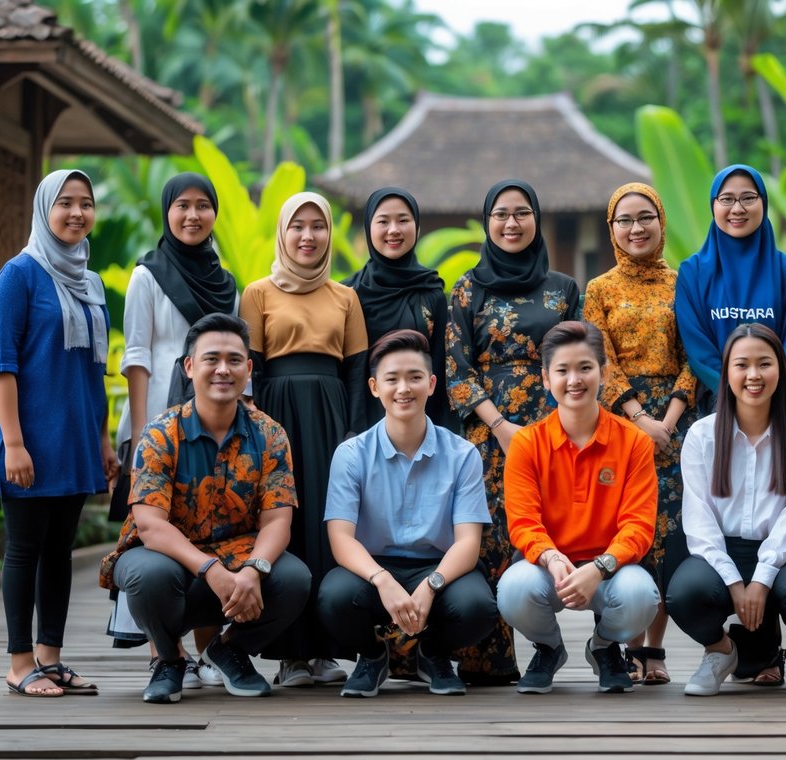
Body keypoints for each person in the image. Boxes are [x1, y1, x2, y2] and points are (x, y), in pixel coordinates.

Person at [101, 313, 311, 704]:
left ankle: (228, 649)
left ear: (248, 370)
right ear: (190, 366)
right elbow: (149, 526)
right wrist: (210, 568)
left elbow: (278, 520)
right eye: (211, 358)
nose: (223, 369)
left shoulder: (269, 434)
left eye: (234, 360)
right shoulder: (161, 433)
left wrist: (255, 569)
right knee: (148, 573)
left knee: (293, 578)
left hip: (239, 558)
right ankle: (169, 658)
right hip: (169, 562)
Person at [0, 168, 119, 697]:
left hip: (77, 439)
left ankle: (51, 657)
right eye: (65, 203)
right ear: (45, 208)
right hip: (29, 440)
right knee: (24, 548)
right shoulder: (18, 275)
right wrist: (13, 442)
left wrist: (104, 442)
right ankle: (20, 663)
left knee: (59, 551)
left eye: (86, 203)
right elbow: (2, 365)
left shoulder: (91, 283)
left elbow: (95, 369)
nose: (77, 213)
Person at [446, 179, 581, 685]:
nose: (511, 223)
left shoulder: (563, 289)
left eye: (521, 213)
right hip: (489, 434)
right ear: (487, 222)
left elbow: (578, 361)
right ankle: (489, 658)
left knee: (549, 534)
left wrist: (554, 425)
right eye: (500, 214)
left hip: (556, 428)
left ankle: (553, 645)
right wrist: (501, 427)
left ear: (536, 219)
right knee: (487, 538)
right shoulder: (465, 289)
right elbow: (457, 370)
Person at [318, 330, 498, 697]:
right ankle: (372, 657)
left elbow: (468, 543)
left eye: (415, 377)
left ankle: (432, 655)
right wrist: (383, 580)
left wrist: (431, 587)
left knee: (478, 607)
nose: (404, 388)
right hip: (374, 567)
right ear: (373, 387)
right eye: (392, 379)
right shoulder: (351, 454)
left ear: (431, 384)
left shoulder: (461, 454)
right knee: (333, 597)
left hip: (438, 566)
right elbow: (340, 539)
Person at [110, 172, 239, 687]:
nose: (192, 215)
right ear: (167, 212)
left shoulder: (224, 280)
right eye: (181, 206)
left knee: (210, 525)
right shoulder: (148, 274)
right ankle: (168, 652)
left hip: (213, 420)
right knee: (158, 531)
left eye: (203, 206)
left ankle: (209, 651)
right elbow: (136, 355)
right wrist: (143, 433)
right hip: (156, 418)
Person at [666, 323, 786, 698]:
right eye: (742, 365)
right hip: (722, 550)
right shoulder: (701, 435)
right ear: (726, 374)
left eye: (765, 364)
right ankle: (720, 651)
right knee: (685, 592)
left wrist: (761, 577)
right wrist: (732, 578)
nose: (754, 375)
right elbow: (699, 519)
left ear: (782, 370)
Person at [240, 192, 369, 687]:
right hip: (277, 416)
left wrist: (353, 434)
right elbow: (249, 369)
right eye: (298, 226)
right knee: (283, 523)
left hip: (331, 416)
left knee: (327, 524)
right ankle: (289, 654)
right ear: (283, 232)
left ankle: (326, 651)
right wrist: (255, 428)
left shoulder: (345, 297)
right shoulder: (258, 293)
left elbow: (357, 373)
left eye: (318, 226)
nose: (308, 236)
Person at [498, 320, 660, 694]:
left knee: (641, 595)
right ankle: (550, 649)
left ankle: (604, 646)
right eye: (563, 370)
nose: (575, 380)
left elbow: (638, 527)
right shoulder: (526, 444)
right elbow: (523, 523)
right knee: (513, 588)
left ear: (603, 373)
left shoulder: (633, 442)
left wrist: (600, 568)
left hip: (612, 570)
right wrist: (553, 559)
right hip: (550, 569)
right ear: (545, 378)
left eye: (585, 368)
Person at [582, 182, 696, 685]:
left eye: (645, 217)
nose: (636, 228)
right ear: (612, 228)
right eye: (624, 220)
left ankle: (653, 648)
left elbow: (697, 355)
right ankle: (619, 641)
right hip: (618, 422)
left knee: (668, 533)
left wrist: (668, 420)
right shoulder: (599, 289)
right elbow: (598, 359)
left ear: (661, 220)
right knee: (622, 529)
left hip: (677, 422)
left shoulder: (684, 282)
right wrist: (639, 418)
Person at [675, 164, 786, 406]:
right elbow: (697, 347)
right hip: (716, 404)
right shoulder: (692, 273)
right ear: (713, 205)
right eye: (727, 199)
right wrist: (731, 391)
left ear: (764, 203)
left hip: (778, 402)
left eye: (748, 198)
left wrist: (768, 389)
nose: (737, 208)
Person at [344, 187, 450, 428]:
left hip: (419, 421)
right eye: (383, 221)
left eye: (403, 220)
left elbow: (441, 368)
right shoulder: (347, 294)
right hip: (360, 422)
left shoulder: (431, 293)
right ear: (368, 228)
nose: (394, 230)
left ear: (417, 226)